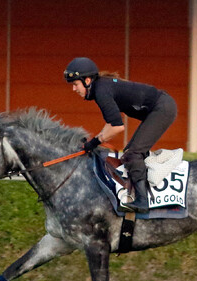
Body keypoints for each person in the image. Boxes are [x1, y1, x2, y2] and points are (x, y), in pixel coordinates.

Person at [64, 57, 177, 212]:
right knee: (129, 155)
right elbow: (111, 123)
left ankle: (143, 202)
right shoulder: (101, 87)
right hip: (161, 106)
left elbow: (117, 127)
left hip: (162, 108)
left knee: (133, 154)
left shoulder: (101, 91)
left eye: (76, 84)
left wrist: (94, 142)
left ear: (88, 81)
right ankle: (141, 192)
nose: (74, 89)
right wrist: (93, 142)